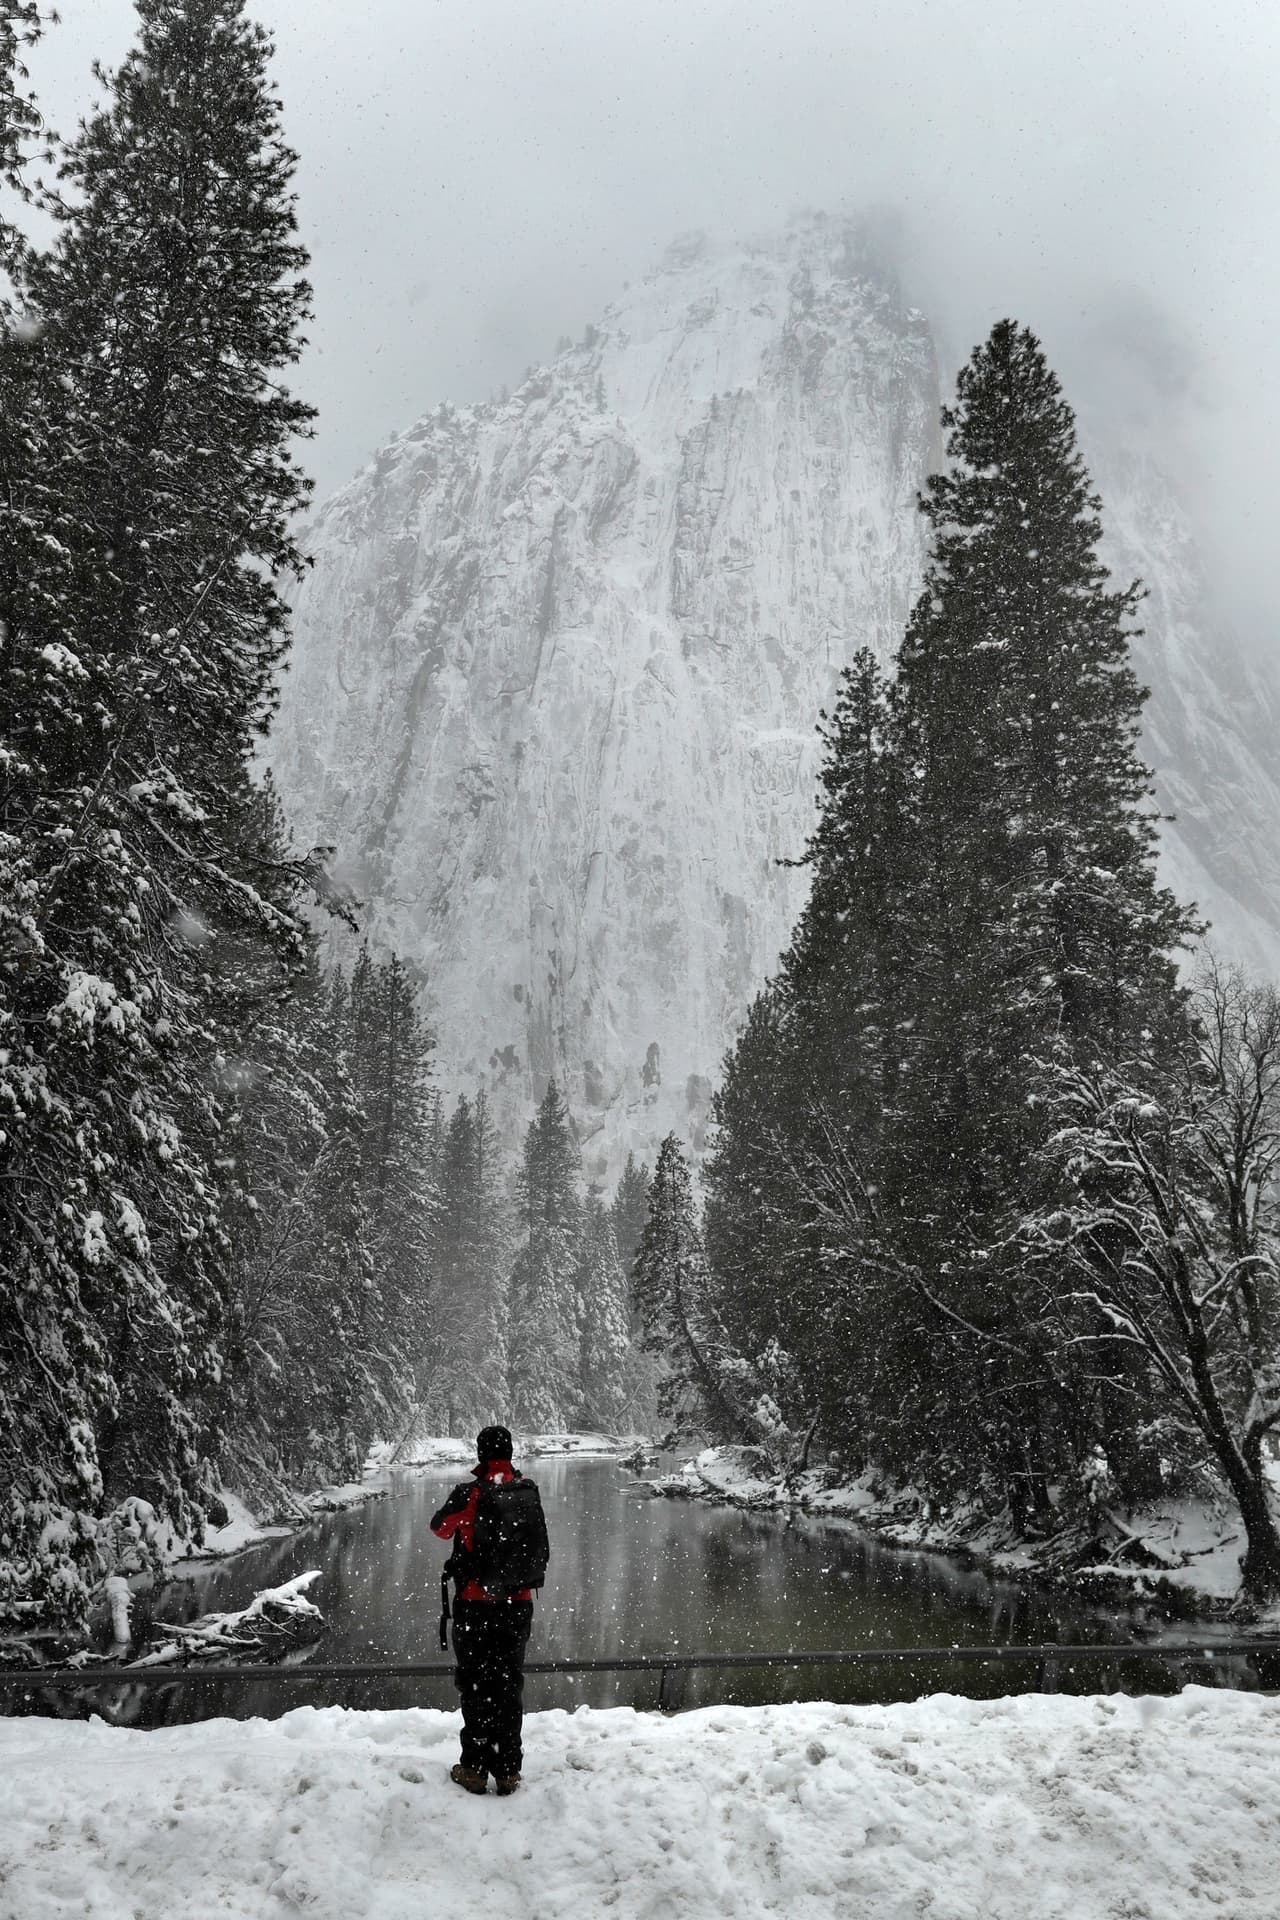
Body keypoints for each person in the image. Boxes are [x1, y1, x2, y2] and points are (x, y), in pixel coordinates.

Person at [430, 1424, 550, 1795]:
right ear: (511, 1453)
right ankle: (509, 1769)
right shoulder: (528, 1490)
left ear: (480, 1454)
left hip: (476, 1606)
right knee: (509, 1683)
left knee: (476, 1684)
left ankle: (475, 1767)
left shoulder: (470, 1494)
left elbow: (439, 1528)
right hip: (519, 1605)